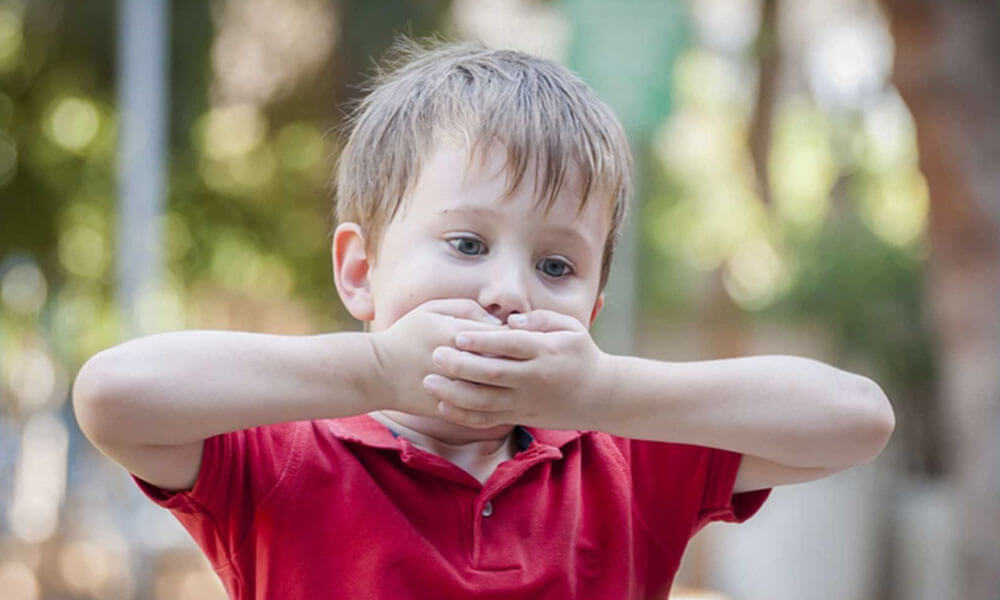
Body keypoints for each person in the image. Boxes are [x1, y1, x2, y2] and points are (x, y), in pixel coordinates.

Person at [72, 37, 896, 599]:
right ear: (361, 272)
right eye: (467, 243)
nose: (509, 291)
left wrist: (605, 391)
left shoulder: (627, 461)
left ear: (593, 309)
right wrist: (379, 371)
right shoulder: (286, 454)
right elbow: (113, 394)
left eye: (557, 266)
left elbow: (857, 420)